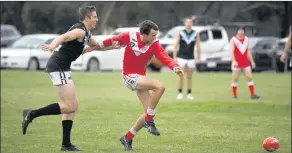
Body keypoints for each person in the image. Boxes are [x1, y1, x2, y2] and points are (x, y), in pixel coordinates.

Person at [21, 6, 120, 151]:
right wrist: (53, 45)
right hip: (58, 66)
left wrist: (113, 47)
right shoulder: (79, 30)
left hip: (62, 67)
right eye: (94, 17)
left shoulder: (87, 33)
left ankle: (66, 145)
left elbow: (96, 45)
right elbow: (63, 37)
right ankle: (32, 114)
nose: (97, 19)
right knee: (70, 106)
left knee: (71, 107)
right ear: (87, 18)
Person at [84, 20, 184, 151]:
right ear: (143, 33)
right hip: (129, 77)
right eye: (153, 35)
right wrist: (91, 48)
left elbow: (164, 57)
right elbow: (108, 41)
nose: (155, 38)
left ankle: (128, 137)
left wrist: (175, 67)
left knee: (148, 112)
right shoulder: (129, 36)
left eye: (156, 35)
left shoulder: (154, 44)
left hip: (140, 79)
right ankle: (150, 121)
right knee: (160, 87)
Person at [173, 16, 201, 100]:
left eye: (190, 22)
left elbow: (198, 46)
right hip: (181, 57)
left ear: (192, 23)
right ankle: (180, 92)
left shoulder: (196, 33)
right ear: (185, 23)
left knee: (189, 77)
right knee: (181, 75)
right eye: (187, 22)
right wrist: (174, 57)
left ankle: (189, 93)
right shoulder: (180, 32)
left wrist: (198, 57)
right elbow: (176, 45)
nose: (189, 24)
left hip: (191, 57)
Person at [230, 27, 260, 99]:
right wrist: (234, 60)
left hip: (245, 62)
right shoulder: (233, 40)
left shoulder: (246, 39)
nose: (241, 32)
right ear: (237, 32)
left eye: (242, 31)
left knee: (249, 77)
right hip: (237, 63)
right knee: (235, 79)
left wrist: (252, 61)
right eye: (239, 31)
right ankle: (234, 95)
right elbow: (231, 51)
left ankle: (252, 94)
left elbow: (248, 51)